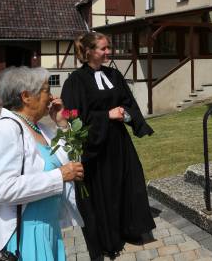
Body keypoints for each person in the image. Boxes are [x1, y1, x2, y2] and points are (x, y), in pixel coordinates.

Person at [0, 66, 84, 260]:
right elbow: (0, 190)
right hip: (21, 235)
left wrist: (62, 125)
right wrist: (59, 176)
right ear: (26, 96)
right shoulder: (2, 131)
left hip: (48, 230)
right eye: (46, 90)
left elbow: (73, 163)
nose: (51, 96)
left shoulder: (42, 129)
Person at [61, 32, 155, 260]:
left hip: (119, 143)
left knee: (128, 184)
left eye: (107, 47)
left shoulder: (114, 74)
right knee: (104, 192)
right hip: (95, 147)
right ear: (89, 52)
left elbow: (129, 102)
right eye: (103, 48)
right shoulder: (75, 81)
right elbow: (73, 118)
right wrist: (106, 115)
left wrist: (126, 115)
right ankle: (108, 238)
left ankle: (130, 229)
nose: (107, 52)